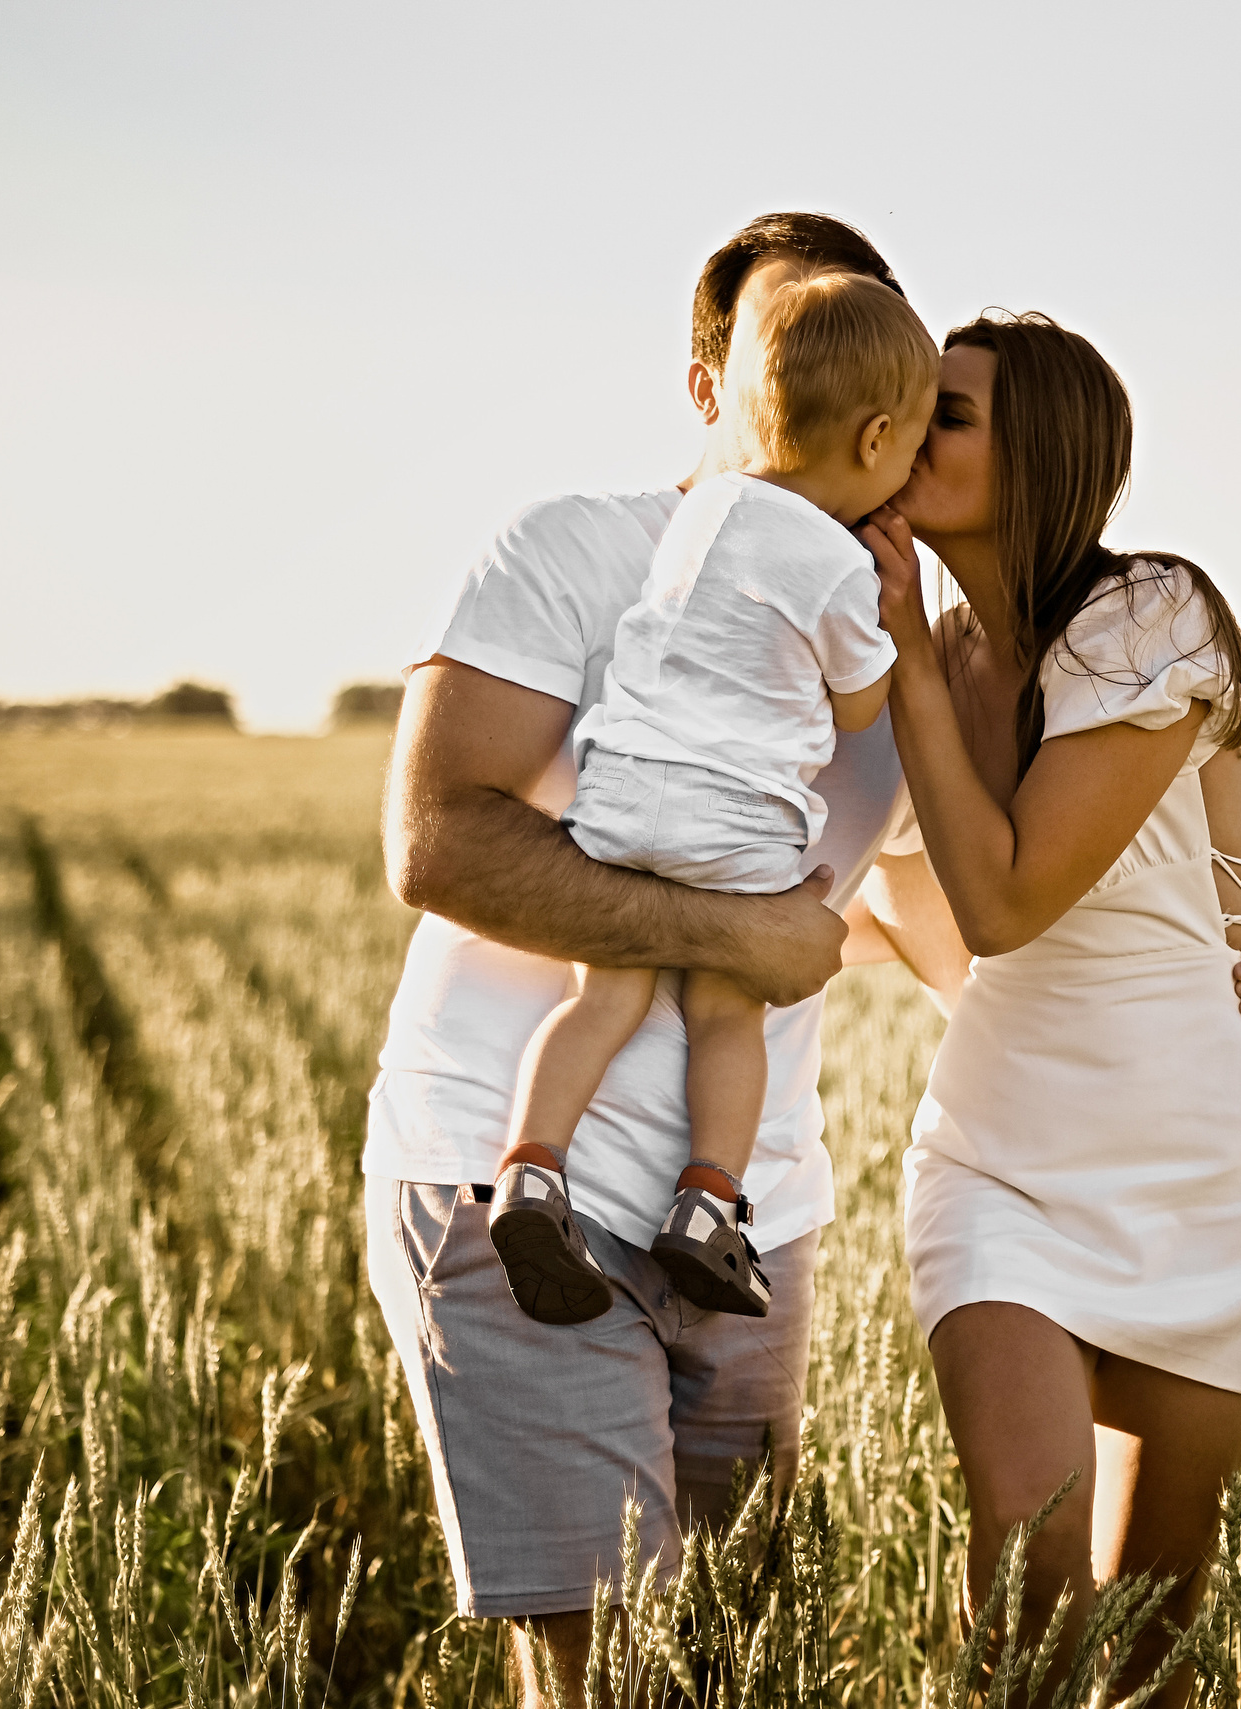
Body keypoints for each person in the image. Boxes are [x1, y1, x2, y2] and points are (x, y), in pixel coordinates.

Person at [366, 213, 1241, 1707]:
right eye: (789, 360)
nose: (841, 409)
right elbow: (436, 845)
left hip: (744, 1217)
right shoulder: (577, 551)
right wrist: (735, 934)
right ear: (713, 383)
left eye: (889, 381)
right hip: (514, 1173)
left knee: (762, 1658)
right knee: (621, 1672)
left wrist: (1234, 972)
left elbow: (925, 921)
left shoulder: (906, 648)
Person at [859, 311, 1241, 1707]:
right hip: (1002, 1159)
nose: (902, 431)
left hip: (1203, 1168)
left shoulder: (1151, 615)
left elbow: (1030, 899)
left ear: (1044, 452)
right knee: (1033, 1554)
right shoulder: (904, 650)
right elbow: (929, 913)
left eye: (945, 412)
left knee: (1154, 1622)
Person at [486, 273, 936, 1325]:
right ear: (875, 440)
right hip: (737, 822)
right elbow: (864, 701)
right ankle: (707, 1201)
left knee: (601, 997)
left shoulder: (703, 513)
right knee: (726, 1008)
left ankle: (530, 1168)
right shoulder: (837, 563)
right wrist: (889, 614)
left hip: (627, 794)